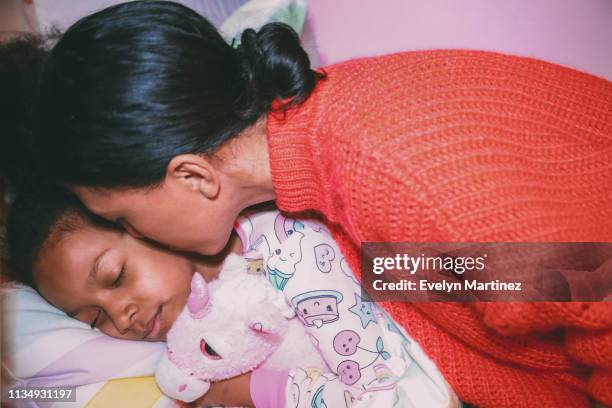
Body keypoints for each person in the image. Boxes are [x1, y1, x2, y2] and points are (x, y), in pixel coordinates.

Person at [27, 1, 612, 406]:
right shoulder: (313, 172)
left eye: (124, 219)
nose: (142, 236)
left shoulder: (391, 177)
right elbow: (450, 277)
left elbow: (591, 289)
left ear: (191, 176)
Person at [5, 186, 458, 407]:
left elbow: (385, 394)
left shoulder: (283, 245)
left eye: (116, 275)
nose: (121, 318)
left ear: (143, 223)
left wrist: (248, 390)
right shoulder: (190, 350)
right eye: (92, 319)